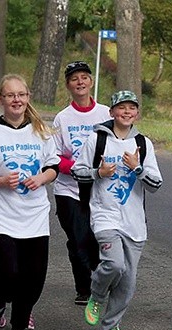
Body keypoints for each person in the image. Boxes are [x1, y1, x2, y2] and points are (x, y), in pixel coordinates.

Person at [0, 74, 59, 330]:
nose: (16, 100)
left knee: (34, 280)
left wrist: (41, 179)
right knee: (8, 273)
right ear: (0, 99)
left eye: (21, 94)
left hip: (34, 215)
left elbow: (53, 167)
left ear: (28, 97)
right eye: (10, 95)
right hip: (0, 216)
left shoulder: (40, 131)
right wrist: (1, 181)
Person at [72, 90, 163, 330]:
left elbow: (155, 185)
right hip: (104, 215)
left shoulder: (143, 144)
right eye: (121, 108)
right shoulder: (97, 140)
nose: (126, 112)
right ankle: (97, 295)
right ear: (111, 112)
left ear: (137, 113)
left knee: (128, 281)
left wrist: (138, 169)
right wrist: (98, 173)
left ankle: (112, 324)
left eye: (131, 108)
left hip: (134, 222)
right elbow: (77, 171)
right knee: (114, 264)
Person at [53, 61, 110, 306]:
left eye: (84, 77)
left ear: (91, 82)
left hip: (99, 188)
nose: (80, 82)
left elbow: (119, 142)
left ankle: (100, 280)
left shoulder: (106, 114)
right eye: (74, 78)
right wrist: (77, 169)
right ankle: (83, 288)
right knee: (78, 239)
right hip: (69, 189)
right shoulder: (62, 118)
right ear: (68, 85)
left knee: (96, 237)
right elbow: (54, 156)